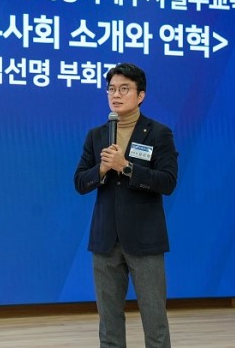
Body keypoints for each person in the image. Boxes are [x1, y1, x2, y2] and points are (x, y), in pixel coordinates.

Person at [74, 63, 178, 348]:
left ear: (140, 95)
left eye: (124, 89)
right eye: (111, 89)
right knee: (109, 325)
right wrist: (102, 169)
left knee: (155, 322)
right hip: (105, 240)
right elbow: (80, 182)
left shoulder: (158, 133)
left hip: (145, 240)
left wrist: (127, 167)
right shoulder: (96, 135)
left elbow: (168, 182)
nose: (116, 95)